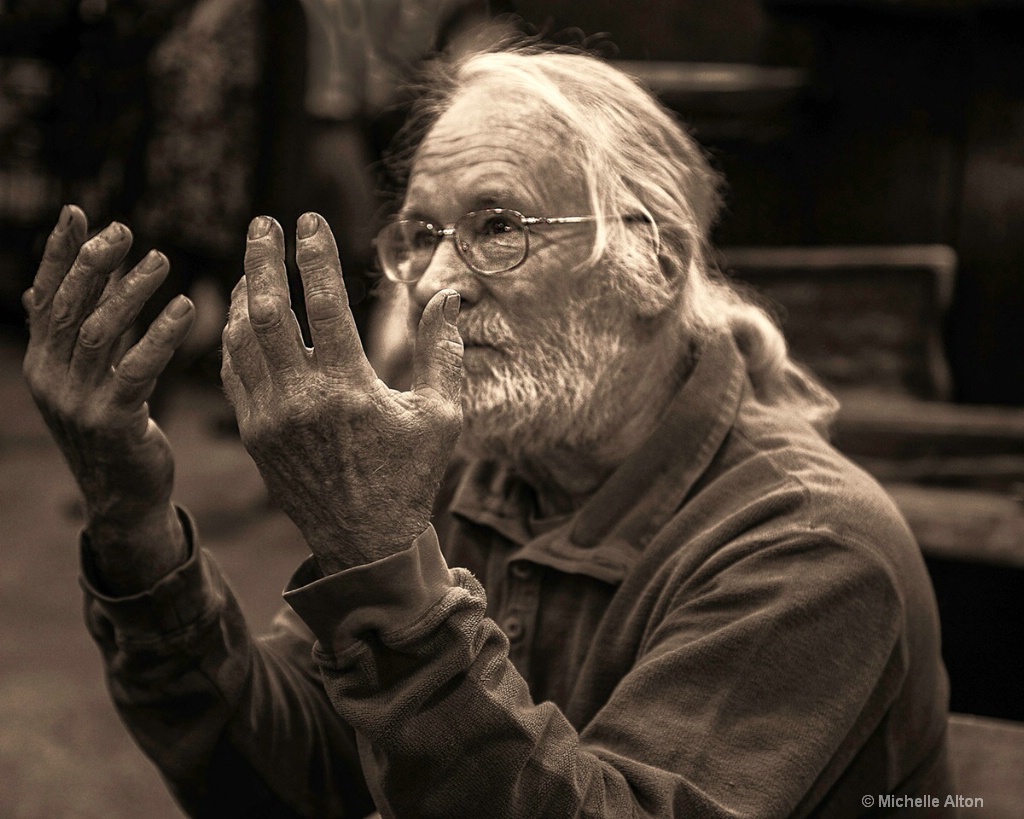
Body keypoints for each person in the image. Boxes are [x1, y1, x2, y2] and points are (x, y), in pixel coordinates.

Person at [21, 45, 954, 818]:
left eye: (497, 224)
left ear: (652, 261)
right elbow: (292, 777)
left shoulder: (809, 544)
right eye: (420, 234)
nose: (432, 283)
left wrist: (377, 553)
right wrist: (135, 529)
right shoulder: (474, 460)